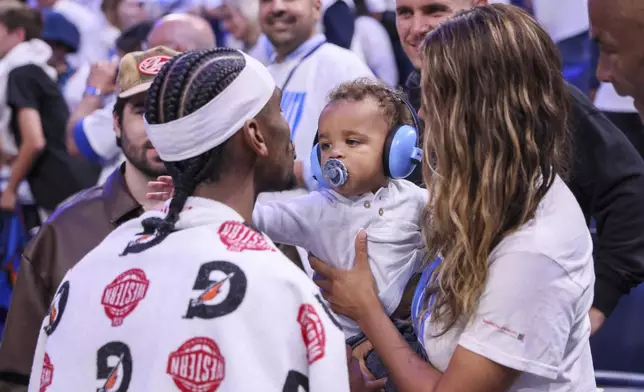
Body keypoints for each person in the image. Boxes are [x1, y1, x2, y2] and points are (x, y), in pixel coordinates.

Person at [26, 48, 361, 391]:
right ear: (256, 135)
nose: (289, 130)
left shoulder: (85, 272)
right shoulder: (280, 286)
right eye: (278, 111)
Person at [312, 5, 596, 391]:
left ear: (481, 110)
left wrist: (366, 311)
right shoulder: (481, 198)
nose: (425, 113)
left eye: (436, 98)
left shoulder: (534, 247)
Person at [400, 0, 644, 335]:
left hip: (503, 337)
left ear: (477, 8)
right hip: (441, 331)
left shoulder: (542, 104)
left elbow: (631, 192)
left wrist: (598, 302)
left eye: (434, 10)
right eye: (404, 13)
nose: (417, 28)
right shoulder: (400, 105)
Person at [149, 78, 427, 340]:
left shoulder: (419, 201)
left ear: (397, 151)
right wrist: (194, 198)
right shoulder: (317, 209)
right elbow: (257, 218)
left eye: (352, 142)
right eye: (326, 144)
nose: (334, 153)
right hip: (346, 340)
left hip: (408, 331)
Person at [0, 46, 177, 392]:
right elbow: (19, 373)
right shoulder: (65, 230)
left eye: (173, 110)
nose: (158, 126)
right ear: (115, 123)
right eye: (143, 111)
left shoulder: (232, 222)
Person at [0, 2, 89, 214]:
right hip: (64, 185)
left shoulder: (22, 73)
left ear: (18, 34)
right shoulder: (34, 69)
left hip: (61, 190)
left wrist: (10, 190)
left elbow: (34, 141)